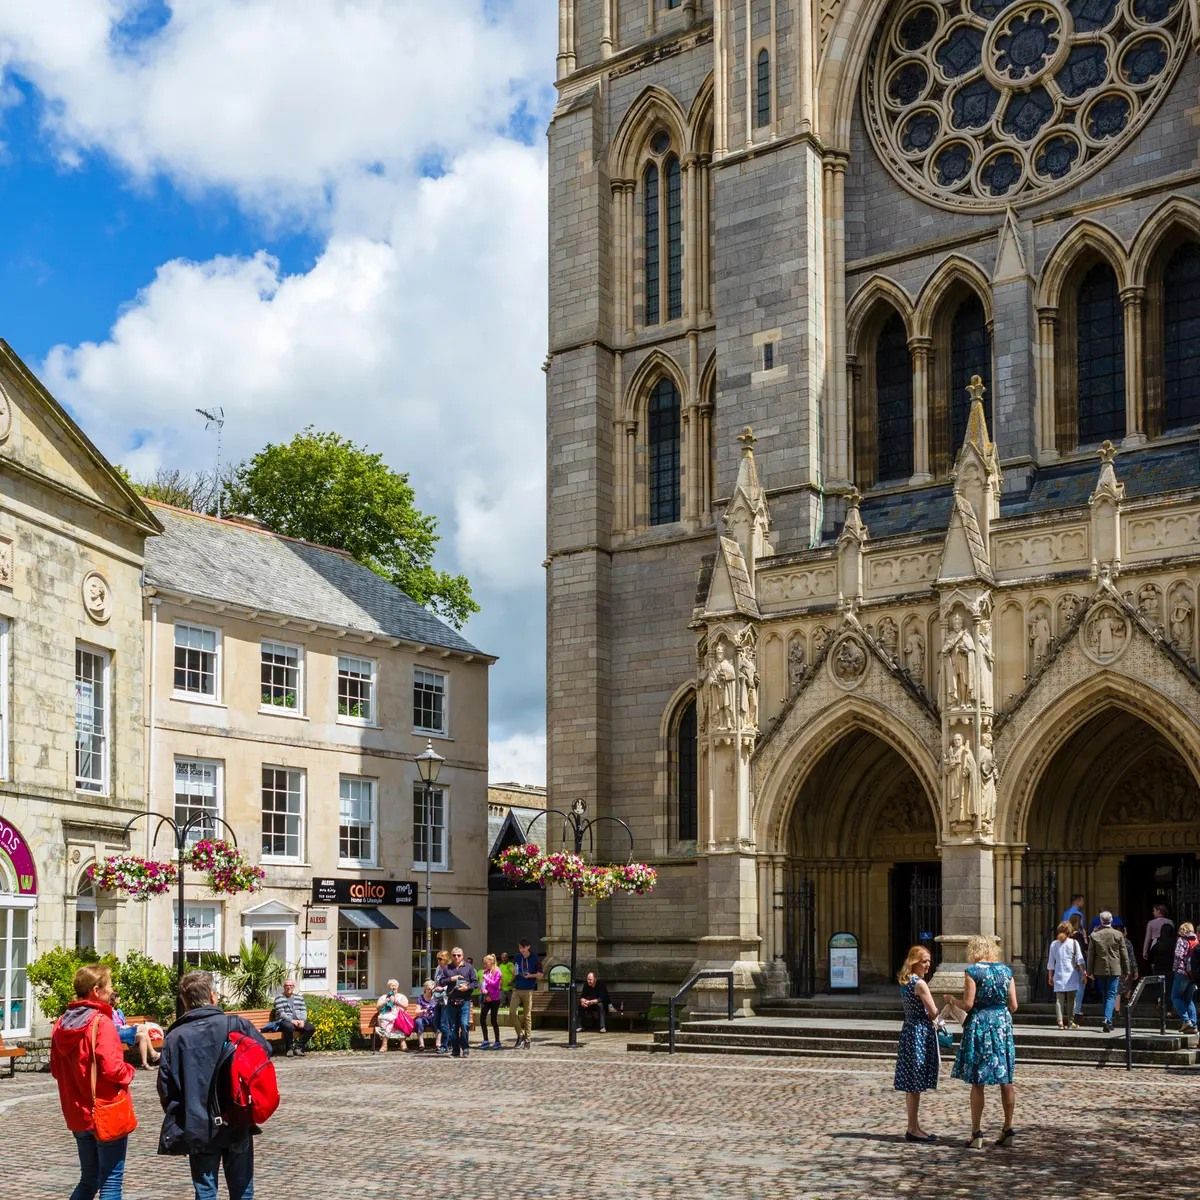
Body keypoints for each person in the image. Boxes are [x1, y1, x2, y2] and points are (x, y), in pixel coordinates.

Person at [158, 970, 272, 1200]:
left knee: (206, 1192)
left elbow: (165, 1087)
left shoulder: (175, 1037)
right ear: (212, 996)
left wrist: (183, 1112)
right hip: (236, 1118)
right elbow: (264, 1055)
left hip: (198, 1123)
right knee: (242, 1191)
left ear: (185, 1001)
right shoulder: (235, 1025)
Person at [50, 964, 137, 1200]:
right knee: (110, 1183)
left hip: (77, 1113)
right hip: (105, 1110)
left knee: (89, 1180)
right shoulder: (101, 1023)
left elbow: (56, 1070)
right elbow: (113, 1069)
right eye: (109, 987)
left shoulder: (61, 1024)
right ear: (96, 990)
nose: (112, 991)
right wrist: (130, 1071)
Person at [948, 934, 1017, 1150]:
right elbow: (1013, 1005)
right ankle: (1008, 1128)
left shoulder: (973, 971)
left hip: (980, 1024)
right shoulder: (1007, 971)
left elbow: (968, 1004)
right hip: (1002, 1025)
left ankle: (977, 1133)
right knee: (1006, 1079)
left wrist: (952, 1001)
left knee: (978, 1080)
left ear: (974, 950)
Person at [894, 946, 939, 1143]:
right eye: (924, 961)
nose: (928, 965)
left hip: (909, 1030)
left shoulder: (905, 981)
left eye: (929, 961)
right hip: (919, 1032)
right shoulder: (920, 984)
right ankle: (913, 1129)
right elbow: (933, 1011)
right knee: (915, 1083)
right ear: (914, 962)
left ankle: (914, 1126)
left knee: (912, 1083)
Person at [1086, 910, 1130, 1033]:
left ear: (1101, 921)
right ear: (1111, 921)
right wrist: (1127, 970)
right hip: (1115, 969)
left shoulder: (1094, 936)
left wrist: (1089, 971)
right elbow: (1124, 954)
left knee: (1105, 995)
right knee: (1111, 995)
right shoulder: (1118, 935)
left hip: (1099, 970)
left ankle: (1108, 1020)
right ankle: (1107, 1019)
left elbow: (1091, 955)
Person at [1046, 922, 1085, 1030]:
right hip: (1071, 975)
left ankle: (1060, 1022)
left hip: (1058, 974)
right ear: (1070, 931)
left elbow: (1051, 962)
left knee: (1059, 1000)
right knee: (1071, 1000)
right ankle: (1071, 1022)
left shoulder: (1054, 944)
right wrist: (1083, 973)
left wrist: (1050, 976)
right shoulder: (1074, 943)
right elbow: (1079, 959)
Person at [443, 946, 478, 1058]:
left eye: (459, 955)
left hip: (464, 1001)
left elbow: (475, 983)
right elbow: (441, 981)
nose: (456, 957)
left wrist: (467, 987)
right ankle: (455, 1050)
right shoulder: (447, 968)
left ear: (462, 956)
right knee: (453, 1028)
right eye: (454, 955)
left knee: (464, 1025)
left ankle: (465, 1048)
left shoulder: (469, 968)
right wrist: (451, 979)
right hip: (451, 1001)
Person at [266, 980, 313, 1057]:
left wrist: (302, 1020)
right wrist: (292, 1020)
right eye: (287, 985)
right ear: (284, 987)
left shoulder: (299, 997)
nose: (289, 987)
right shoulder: (279, 998)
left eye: (291, 986)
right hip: (283, 1022)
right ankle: (289, 1048)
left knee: (310, 1028)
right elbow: (281, 1013)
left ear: (293, 987)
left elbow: (303, 1010)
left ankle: (298, 1047)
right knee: (289, 1026)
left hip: (298, 1021)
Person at [112, 995, 160, 1069]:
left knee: (142, 1036)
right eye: (117, 997)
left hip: (125, 1031)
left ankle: (144, 1063)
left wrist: (131, 1026)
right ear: (113, 999)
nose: (120, 998)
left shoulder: (119, 1011)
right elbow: (111, 1026)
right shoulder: (108, 1011)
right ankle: (153, 1054)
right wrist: (124, 1027)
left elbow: (124, 1024)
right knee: (143, 1027)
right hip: (117, 1033)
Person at [511, 938, 542, 1050]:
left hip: (528, 989)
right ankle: (520, 1035)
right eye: (520, 948)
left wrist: (530, 975)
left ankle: (528, 1039)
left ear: (528, 947)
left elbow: (540, 975)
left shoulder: (535, 958)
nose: (521, 950)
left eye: (523, 948)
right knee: (512, 1012)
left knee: (527, 1015)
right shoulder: (517, 957)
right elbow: (515, 971)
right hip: (517, 988)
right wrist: (514, 973)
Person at [1170, 921, 1198, 1034]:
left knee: (1175, 997)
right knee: (1188, 999)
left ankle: (1186, 1021)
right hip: (1193, 975)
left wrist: (1177, 969)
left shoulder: (1182, 940)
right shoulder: (1196, 940)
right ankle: (1194, 1024)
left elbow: (1178, 955)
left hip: (1182, 973)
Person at [374, 980, 411, 1052]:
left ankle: (385, 1044)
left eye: (395, 985)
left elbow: (406, 1006)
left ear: (398, 986)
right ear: (389, 987)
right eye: (391, 985)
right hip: (387, 1015)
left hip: (399, 1015)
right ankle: (401, 1044)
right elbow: (378, 1007)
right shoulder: (384, 997)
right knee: (387, 1021)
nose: (393, 987)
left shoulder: (402, 996)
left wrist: (397, 1002)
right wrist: (385, 1002)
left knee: (395, 1021)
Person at [478, 954, 503, 1049]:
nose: (484, 965)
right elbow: (482, 984)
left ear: (491, 962)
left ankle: (497, 1041)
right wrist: (483, 991)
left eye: (486, 963)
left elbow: (496, 985)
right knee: (482, 1019)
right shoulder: (486, 972)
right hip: (486, 998)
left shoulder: (497, 971)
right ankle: (485, 1040)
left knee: (493, 1020)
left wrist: (487, 979)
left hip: (495, 999)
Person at [1068, 913, 1088, 1025]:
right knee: (1080, 988)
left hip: (1069, 965)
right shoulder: (1078, 936)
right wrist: (1085, 936)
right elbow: (1084, 949)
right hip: (1078, 965)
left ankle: (1071, 1011)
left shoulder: (1067, 936)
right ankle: (1076, 1010)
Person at [433, 949, 453, 1055]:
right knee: (436, 1021)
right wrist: (435, 987)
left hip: (446, 998)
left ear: (445, 959)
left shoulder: (450, 969)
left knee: (444, 1023)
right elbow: (437, 981)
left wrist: (443, 988)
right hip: (438, 998)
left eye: (440, 959)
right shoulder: (438, 969)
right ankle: (449, 1041)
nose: (438, 961)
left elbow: (451, 983)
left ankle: (445, 1045)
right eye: (437, 959)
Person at [414, 980, 439, 1051]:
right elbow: (416, 1011)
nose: (430, 991)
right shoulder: (421, 998)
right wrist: (423, 1011)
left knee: (438, 1021)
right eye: (428, 989)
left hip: (434, 1017)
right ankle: (421, 1044)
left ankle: (438, 1045)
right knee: (418, 1022)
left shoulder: (436, 998)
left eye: (432, 989)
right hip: (423, 1017)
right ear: (425, 989)